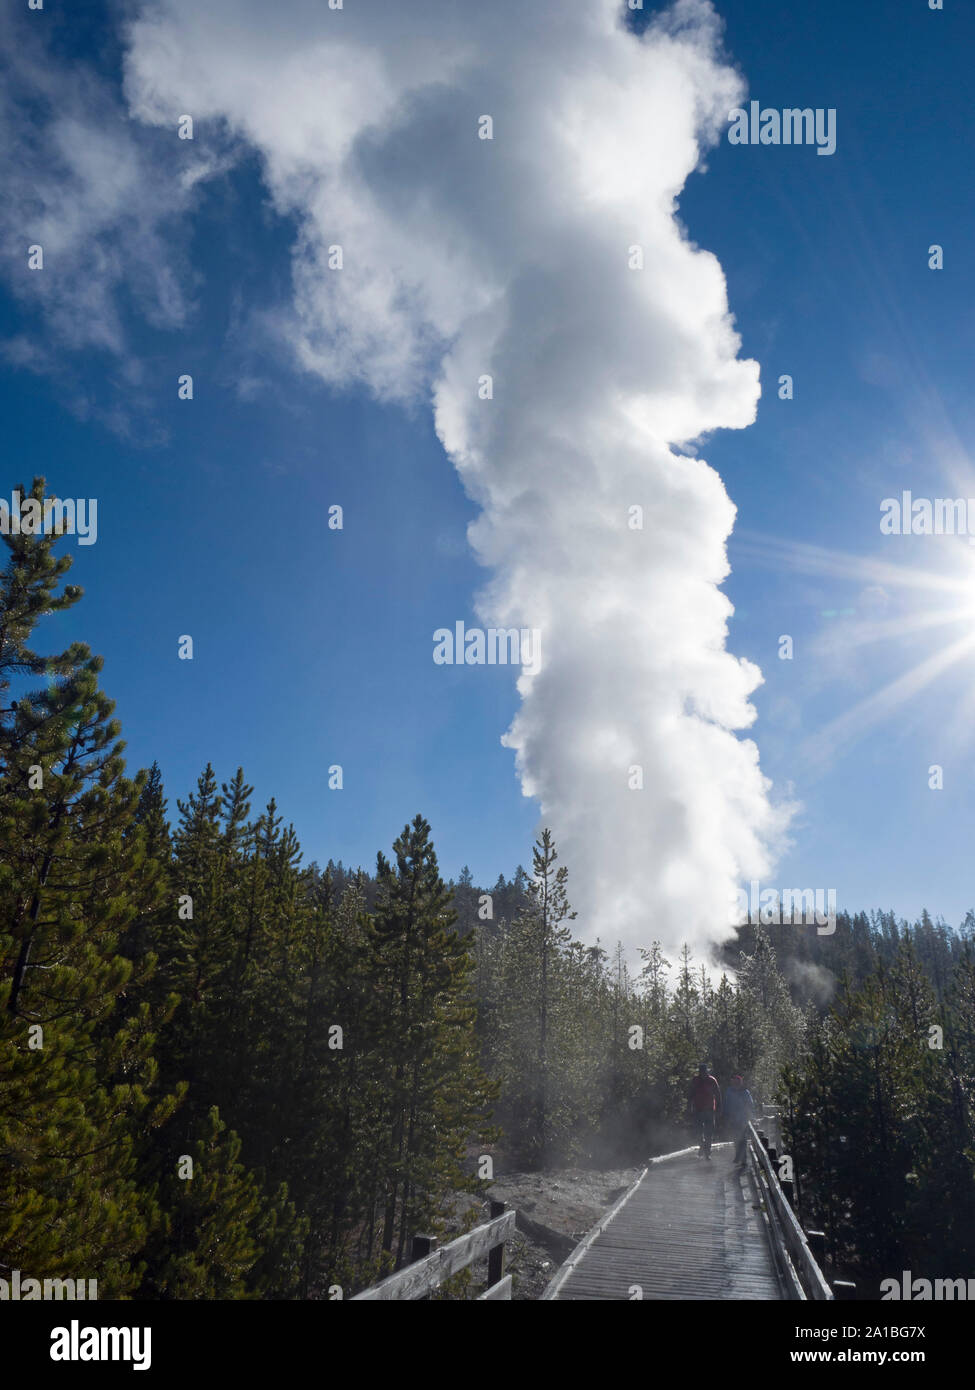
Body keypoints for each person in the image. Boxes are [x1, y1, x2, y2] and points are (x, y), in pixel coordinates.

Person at [688, 1062, 721, 1159]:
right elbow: (690, 1094)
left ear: (707, 1071)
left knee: (709, 1132)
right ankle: (702, 1146)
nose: (703, 1073)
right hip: (698, 1109)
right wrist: (689, 1107)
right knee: (698, 1131)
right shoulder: (695, 1080)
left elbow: (718, 1095)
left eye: (704, 1071)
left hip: (710, 1110)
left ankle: (708, 1152)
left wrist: (719, 1108)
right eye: (701, 1071)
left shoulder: (712, 1080)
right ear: (699, 1072)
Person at [723, 1074, 755, 1167]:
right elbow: (726, 1103)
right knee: (736, 1138)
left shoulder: (745, 1092)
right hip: (733, 1119)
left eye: (738, 1082)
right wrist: (726, 1115)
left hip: (743, 1120)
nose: (736, 1084)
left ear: (740, 1083)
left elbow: (750, 1105)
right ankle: (738, 1155)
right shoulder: (729, 1091)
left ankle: (743, 1158)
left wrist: (752, 1116)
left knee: (743, 1139)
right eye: (734, 1082)